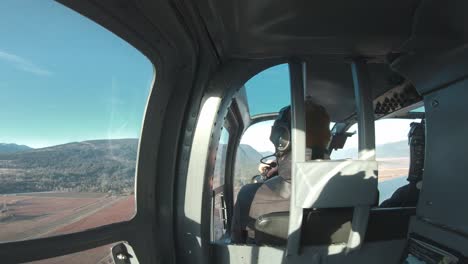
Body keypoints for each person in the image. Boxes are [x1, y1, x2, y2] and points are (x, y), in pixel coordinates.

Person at [231, 101, 331, 243]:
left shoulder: (249, 195)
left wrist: (266, 179)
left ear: (283, 138)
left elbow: (237, 243)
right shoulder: (357, 191)